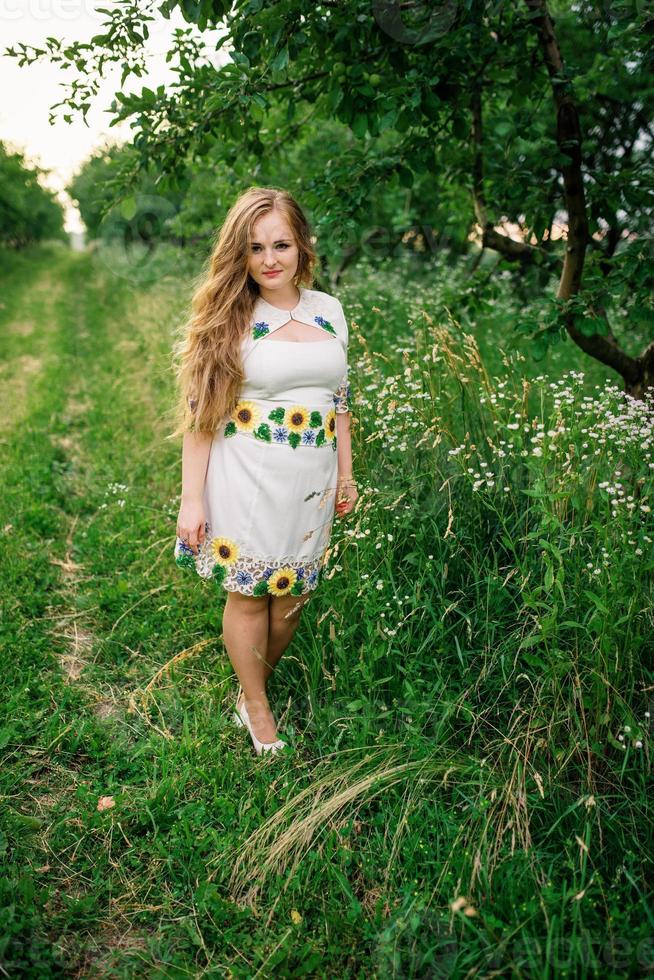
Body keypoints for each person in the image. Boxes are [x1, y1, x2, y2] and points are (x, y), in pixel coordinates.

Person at [170, 187, 358, 756]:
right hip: (246, 476)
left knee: (293, 597)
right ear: (241, 254)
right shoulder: (231, 317)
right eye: (255, 248)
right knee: (251, 596)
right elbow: (201, 418)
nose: (270, 259)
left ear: (302, 244)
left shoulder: (329, 310)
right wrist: (191, 500)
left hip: (312, 482)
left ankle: (254, 684)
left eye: (281, 244)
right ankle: (256, 705)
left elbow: (340, 401)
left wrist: (346, 475)